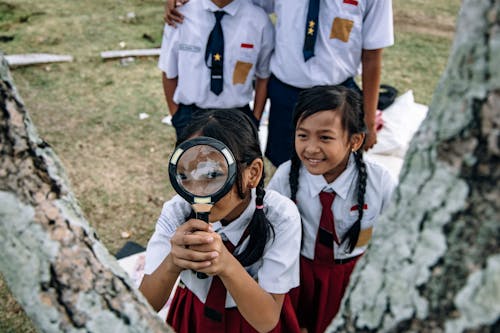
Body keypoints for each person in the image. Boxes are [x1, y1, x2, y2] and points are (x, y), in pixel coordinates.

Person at [164, 0, 394, 166]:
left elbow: (372, 55)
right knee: (285, 164)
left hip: (338, 94)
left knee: (334, 163)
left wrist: (369, 120)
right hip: (286, 92)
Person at [139, 109, 302, 333]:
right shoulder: (176, 212)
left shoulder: (281, 217)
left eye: (213, 175)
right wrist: (172, 262)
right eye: (185, 175)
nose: (197, 189)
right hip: (194, 314)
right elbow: (145, 304)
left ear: (252, 173)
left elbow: (266, 321)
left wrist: (226, 264)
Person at [266, 85, 397, 333]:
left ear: (355, 141)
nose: (311, 148)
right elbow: (268, 229)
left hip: (350, 276)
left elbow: (399, 233)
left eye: (325, 137)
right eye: (303, 135)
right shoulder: (285, 176)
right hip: (298, 274)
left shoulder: (380, 182)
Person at [159, 0, 274, 138]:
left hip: (236, 116)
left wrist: (255, 120)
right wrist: (177, 117)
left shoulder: (258, 20)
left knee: (236, 159)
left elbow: (264, 76)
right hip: (191, 115)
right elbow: (169, 72)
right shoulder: (180, 15)